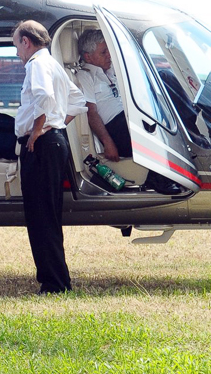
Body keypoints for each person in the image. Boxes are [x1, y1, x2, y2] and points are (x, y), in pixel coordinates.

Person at [12, 20, 87, 294]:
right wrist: (56, 123)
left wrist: (39, 129)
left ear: (26, 42)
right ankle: (57, 279)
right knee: (50, 215)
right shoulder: (53, 63)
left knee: (40, 215)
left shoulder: (36, 64)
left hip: (42, 146)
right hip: (55, 141)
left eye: (17, 46)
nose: (18, 54)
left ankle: (53, 283)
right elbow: (78, 101)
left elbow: (43, 96)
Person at [76, 29, 181, 194]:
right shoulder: (85, 76)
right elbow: (91, 113)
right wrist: (108, 142)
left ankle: (192, 122)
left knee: (165, 77)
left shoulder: (109, 70)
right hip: (116, 127)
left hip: (128, 117)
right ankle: (158, 179)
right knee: (149, 126)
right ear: (88, 57)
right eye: (104, 52)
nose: (109, 55)